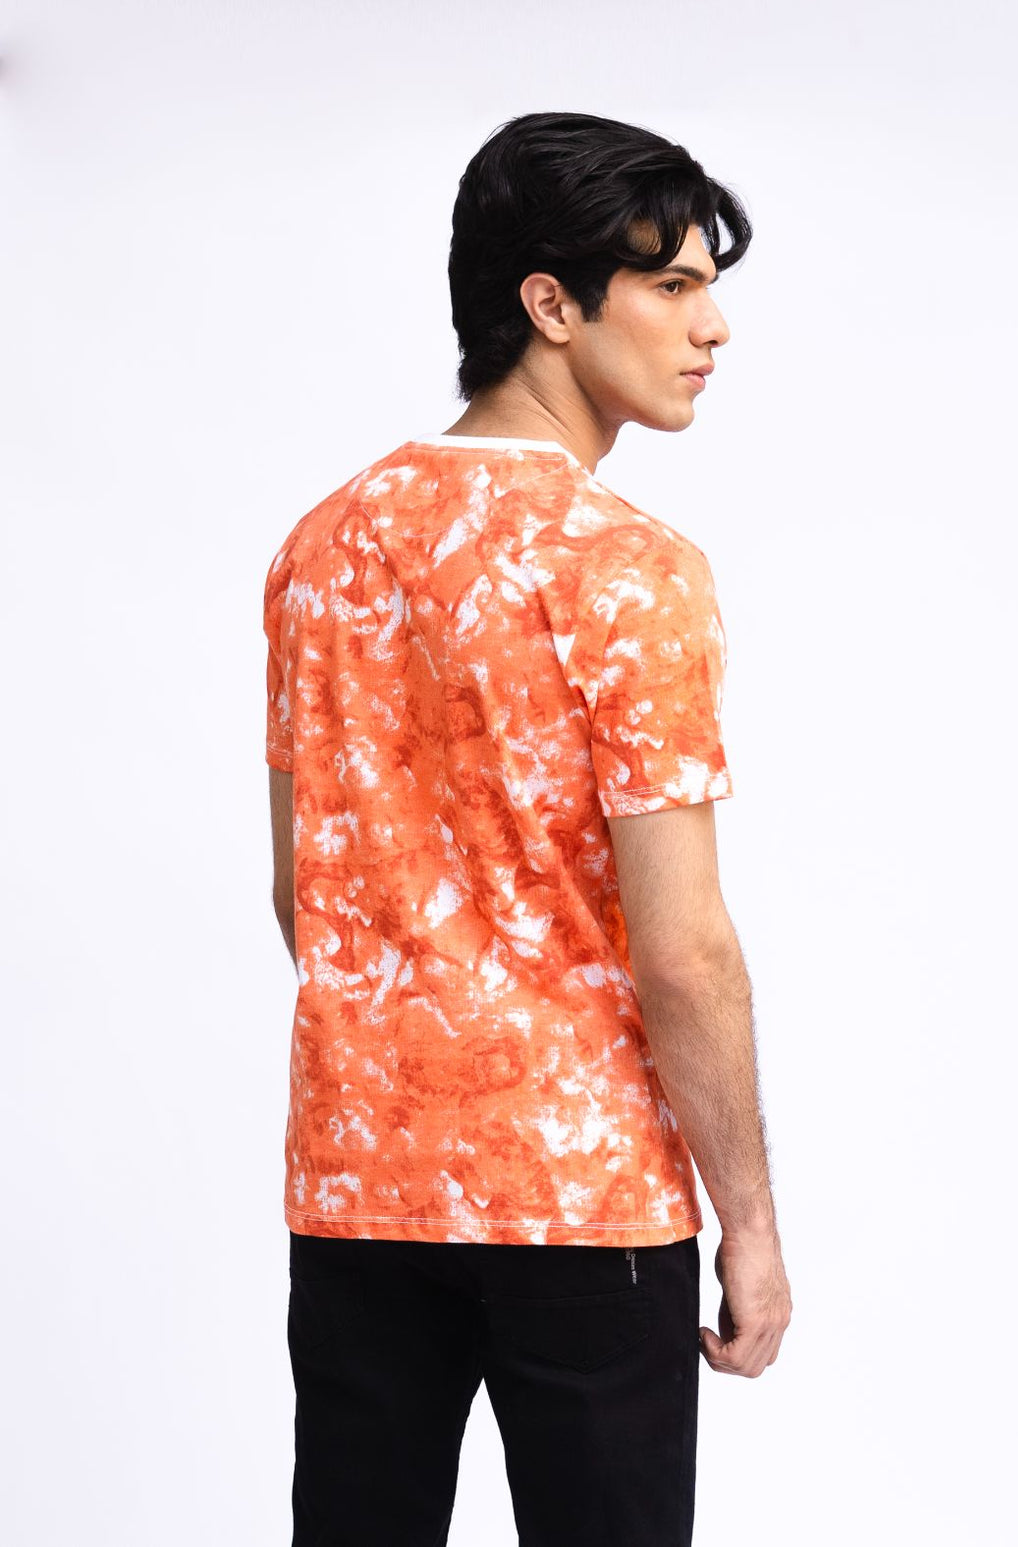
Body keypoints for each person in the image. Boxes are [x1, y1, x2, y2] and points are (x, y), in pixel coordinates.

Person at [263, 110, 792, 1547]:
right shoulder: (627, 571)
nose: (713, 328)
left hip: (360, 1188)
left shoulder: (320, 547)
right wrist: (748, 1221)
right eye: (671, 287)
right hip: (583, 1199)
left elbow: (304, 893)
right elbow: (683, 949)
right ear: (550, 305)